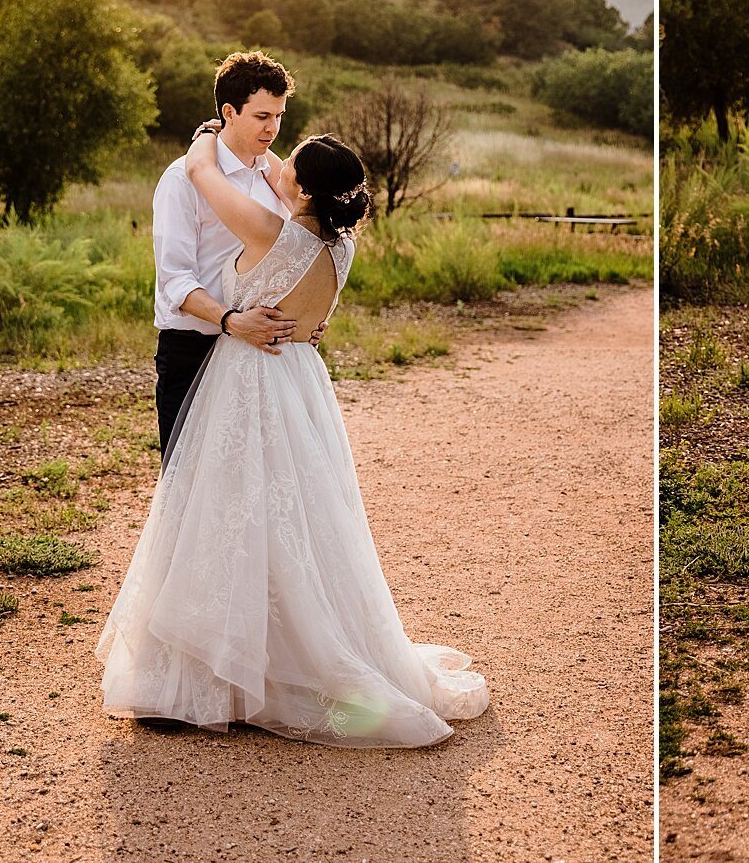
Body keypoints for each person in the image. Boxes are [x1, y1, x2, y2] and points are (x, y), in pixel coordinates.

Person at [98, 127, 490, 745]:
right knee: (299, 517)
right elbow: (293, 179)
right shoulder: (340, 244)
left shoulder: (270, 232)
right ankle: (273, 649)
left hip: (250, 377)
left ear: (302, 190)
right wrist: (280, 156)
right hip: (302, 378)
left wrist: (208, 136)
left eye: (289, 166)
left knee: (228, 513)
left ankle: (217, 675)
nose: (275, 164)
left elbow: (204, 175)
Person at [149, 52, 303, 464]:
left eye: (279, 115)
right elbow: (175, 280)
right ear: (229, 113)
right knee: (186, 483)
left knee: (257, 481)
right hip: (194, 350)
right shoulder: (183, 179)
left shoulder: (276, 179)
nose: (273, 128)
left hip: (263, 358)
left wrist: (308, 318)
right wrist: (232, 322)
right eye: (262, 116)